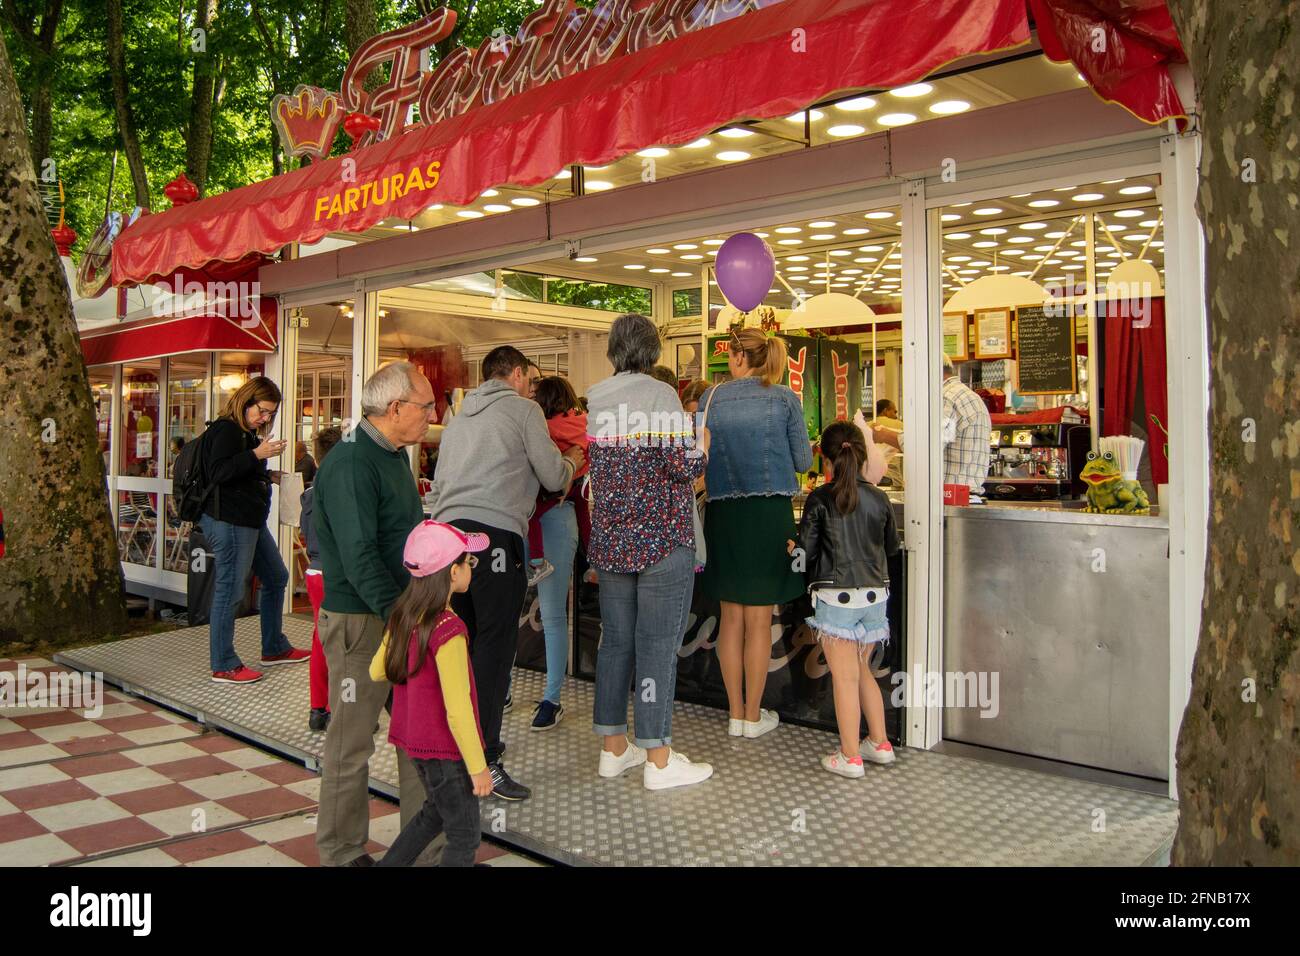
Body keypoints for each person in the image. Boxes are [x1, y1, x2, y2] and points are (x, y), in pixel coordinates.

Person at [428, 346, 583, 800]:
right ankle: (487, 761)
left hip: (450, 542)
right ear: (515, 375)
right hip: (496, 540)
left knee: (459, 650)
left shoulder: (458, 419)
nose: (533, 387)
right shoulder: (524, 410)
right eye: (530, 379)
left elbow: (439, 485)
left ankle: (454, 754)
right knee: (494, 655)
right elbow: (554, 478)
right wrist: (573, 457)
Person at [312, 361, 434, 867]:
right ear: (395, 408)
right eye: (426, 406)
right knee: (352, 742)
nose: (433, 414)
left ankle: (426, 847)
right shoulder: (351, 463)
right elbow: (359, 552)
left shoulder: (392, 456)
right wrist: (398, 615)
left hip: (398, 615)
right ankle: (341, 852)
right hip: (364, 622)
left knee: (421, 738)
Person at [586, 313, 714, 790]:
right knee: (657, 648)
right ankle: (658, 759)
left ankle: (613, 750)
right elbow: (682, 468)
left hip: (612, 540)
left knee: (615, 643)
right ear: (653, 350)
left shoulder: (597, 397)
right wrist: (702, 444)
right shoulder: (659, 395)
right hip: (661, 538)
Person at [698, 328, 812, 739]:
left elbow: (698, 455)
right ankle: (751, 715)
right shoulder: (784, 398)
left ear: (739, 357)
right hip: (769, 514)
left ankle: (732, 713)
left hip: (724, 514)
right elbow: (803, 459)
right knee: (761, 620)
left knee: (730, 618)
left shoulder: (711, 399)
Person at [370, 521, 494, 867]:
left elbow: (376, 670)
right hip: (446, 751)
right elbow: (458, 709)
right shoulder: (448, 631)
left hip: (416, 745)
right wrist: (478, 767)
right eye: (469, 562)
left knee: (434, 814)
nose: (472, 567)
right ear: (452, 573)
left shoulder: (404, 618)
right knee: (465, 835)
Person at [792, 421, 899, 777]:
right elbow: (891, 548)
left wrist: (793, 549)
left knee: (844, 678)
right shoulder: (880, 497)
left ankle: (850, 755)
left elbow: (803, 556)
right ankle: (880, 743)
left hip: (836, 598)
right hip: (875, 597)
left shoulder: (820, 498)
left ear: (825, 457)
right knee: (863, 671)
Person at [200, 376, 309, 685]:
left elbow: (239, 472)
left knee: (276, 576)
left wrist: (269, 474)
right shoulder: (226, 430)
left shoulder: (246, 434)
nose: (265, 418)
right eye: (262, 411)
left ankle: (273, 646)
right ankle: (224, 663)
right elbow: (218, 472)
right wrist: (256, 456)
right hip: (230, 520)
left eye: (270, 413)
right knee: (230, 588)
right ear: (246, 402)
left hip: (250, 520)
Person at [526, 376, 591, 730]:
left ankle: (503, 690)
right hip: (561, 518)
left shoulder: (536, 430)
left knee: (505, 614)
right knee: (553, 616)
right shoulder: (582, 430)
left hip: (527, 518)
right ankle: (550, 700)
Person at [525, 376, 590, 588]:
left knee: (531, 513)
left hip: (558, 485)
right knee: (585, 520)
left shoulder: (546, 426)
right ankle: (594, 560)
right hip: (582, 482)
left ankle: (537, 561)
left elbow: (545, 462)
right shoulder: (585, 420)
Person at [301, 425, 343, 732]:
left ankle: (318, 708)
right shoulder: (341, 490)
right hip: (337, 573)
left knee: (321, 638)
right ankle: (340, 709)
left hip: (314, 571)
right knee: (343, 643)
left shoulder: (310, 493)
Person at [939, 354, 991, 499]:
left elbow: (930, 447)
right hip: (967, 496)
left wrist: (885, 435)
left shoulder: (946, 398)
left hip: (948, 498)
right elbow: (945, 436)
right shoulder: (970, 396)